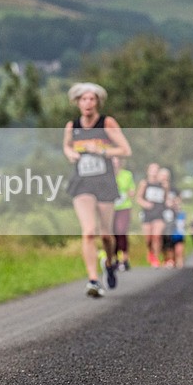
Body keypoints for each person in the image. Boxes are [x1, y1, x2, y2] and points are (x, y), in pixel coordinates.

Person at [63, 82, 132, 298]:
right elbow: (66, 146)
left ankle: (109, 262)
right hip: (82, 183)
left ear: (98, 102)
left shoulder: (107, 123)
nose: (88, 103)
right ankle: (93, 280)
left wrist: (102, 150)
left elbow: (125, 150)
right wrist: (70, 154)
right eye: (84, 99)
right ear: (77, 102)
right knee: (89, 231)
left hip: (104, 183)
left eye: (92, 99)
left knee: (106, 235)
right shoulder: (72, 126)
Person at [135, 163, 168, 267]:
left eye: (156, 170)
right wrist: (145, 204)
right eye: (152, 169)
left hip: (159, 212)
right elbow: (138, 198)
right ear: (148, 171)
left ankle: (156, 259)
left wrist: (170, 204)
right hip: (148, 213)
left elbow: (166, 199)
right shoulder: (144, 183)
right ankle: (151, 253)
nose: (154, 172)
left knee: (157, 236)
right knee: (148, 238)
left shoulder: (163, 184)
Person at [112, 156, 136, 271]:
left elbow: (132, 189)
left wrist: (131, 192)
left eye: (117, 161)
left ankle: (125, 259)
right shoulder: (108, 176)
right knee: (113, 233)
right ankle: (115, 259)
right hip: (111, 208)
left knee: (121, 231)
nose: (115, 164)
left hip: (124, 207)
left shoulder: (127, 175)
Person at [161, 191, 186, 268]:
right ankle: (170, 261)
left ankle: (179, 264)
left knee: (179, 250)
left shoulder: (180, 211)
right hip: (168, 233)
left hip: (178, 233)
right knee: (168, 249)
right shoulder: (165, 210)